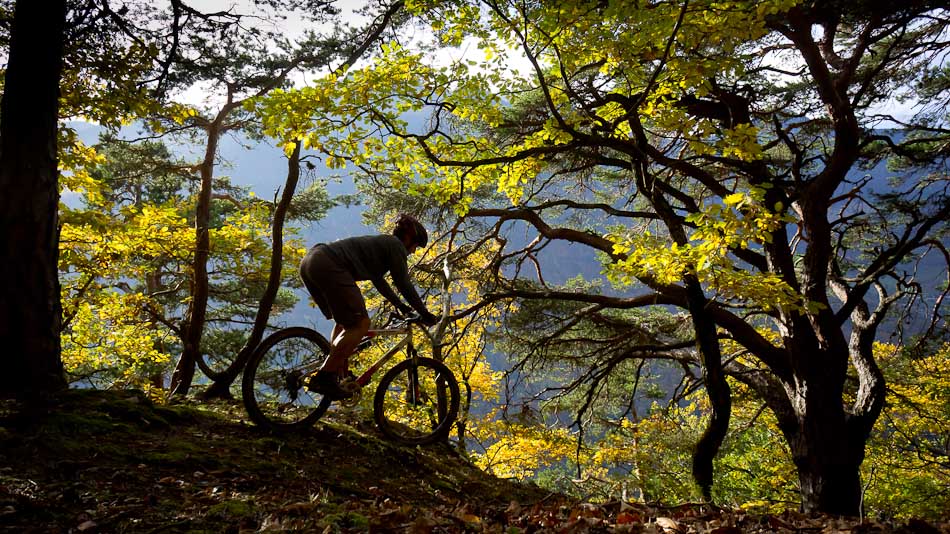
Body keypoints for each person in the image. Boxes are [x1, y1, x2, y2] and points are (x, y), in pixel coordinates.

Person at [299, 213, 439, 398]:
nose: (413, 252)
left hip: (311, 262)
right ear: (407, 238)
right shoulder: (395, 246)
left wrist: (401, 306)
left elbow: (379, 281)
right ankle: (325, 376)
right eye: (415, 246)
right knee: (361, 324)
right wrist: (425, 313)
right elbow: (403, 282)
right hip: (329, 263)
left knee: (345, 323)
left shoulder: (382, 245)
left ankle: (337, 371)